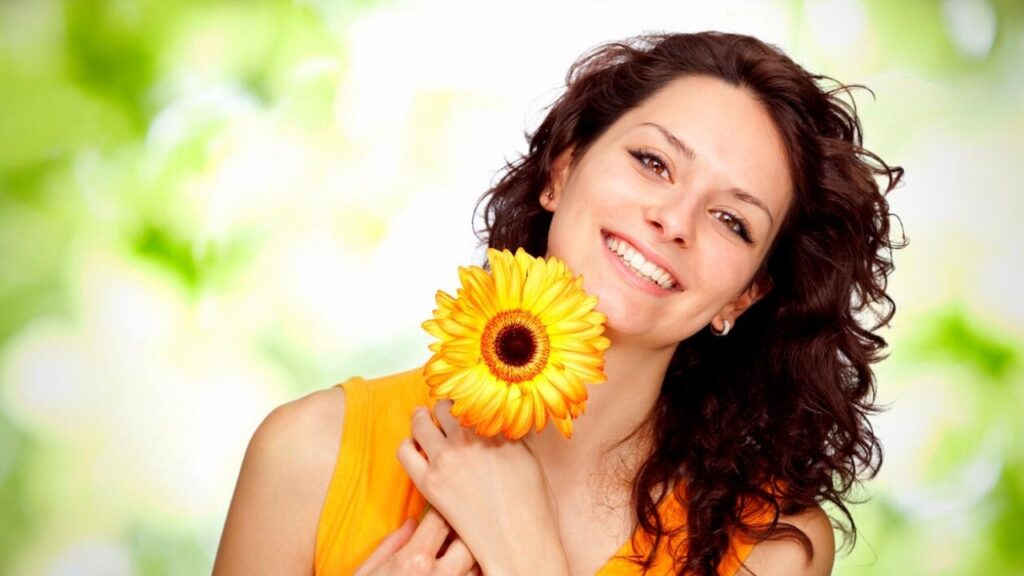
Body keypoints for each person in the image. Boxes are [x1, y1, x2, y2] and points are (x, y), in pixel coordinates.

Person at [213, 31, 903, 576]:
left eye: (733, 220)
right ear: (562, 170)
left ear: (746, 295)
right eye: (654, 162)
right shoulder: (310, 452)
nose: (674, 219)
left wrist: (529, 556)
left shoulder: (769, 547)